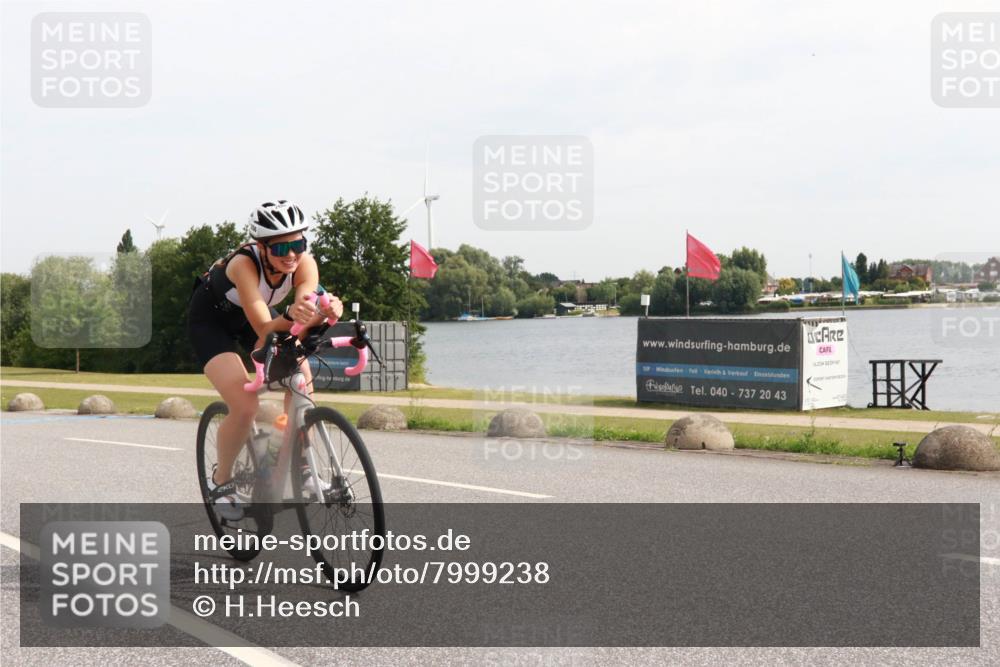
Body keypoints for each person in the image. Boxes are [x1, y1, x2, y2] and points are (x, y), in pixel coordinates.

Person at [187, 200, 343, 519]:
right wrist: (294, 316)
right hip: (211, 321)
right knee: (245, 406)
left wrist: (326, 313)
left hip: (260, 317)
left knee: (301, 381)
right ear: (261, 246)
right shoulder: (243, 265)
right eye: (281, 247)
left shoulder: (305, 264)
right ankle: (221, 483)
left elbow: (303, 305)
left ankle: (303, 468)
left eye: (298, 244)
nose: (290, 255)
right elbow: (264, 328)